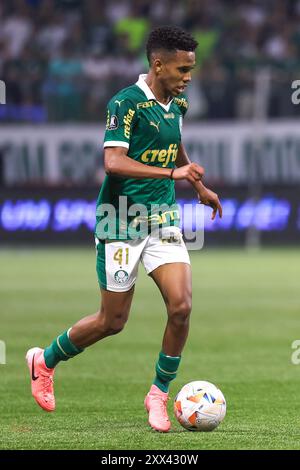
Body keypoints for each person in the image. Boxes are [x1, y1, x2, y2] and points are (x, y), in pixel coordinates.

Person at [26, 25, 222, 433]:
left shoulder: (177, 105)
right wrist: (175, 171)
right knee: (112, 322)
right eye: (183, 69)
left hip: (162, 219)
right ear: (158, 64)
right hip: (119, 222)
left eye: (192, 69)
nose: (189, 77)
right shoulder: (126, 103)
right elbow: (113, 163)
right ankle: (44, 360)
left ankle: (159, 395)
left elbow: (175, 145)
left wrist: (197, 185)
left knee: (181, 307)